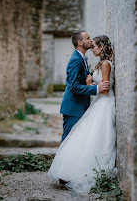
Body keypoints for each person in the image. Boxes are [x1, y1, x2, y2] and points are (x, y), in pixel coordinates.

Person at [48, 35, 116, 195]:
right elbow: (81, 86)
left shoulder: (105, 64)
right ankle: (67, 172)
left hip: (104, 103)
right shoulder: (84, 61)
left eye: (94, 46)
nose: (92, 48)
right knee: (77, 138)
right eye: (89, 42)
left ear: (101, 47)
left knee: (96, 137)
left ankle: (74, 173)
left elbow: (105, 88)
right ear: (80, 42)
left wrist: (94, 85)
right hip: (93, 104)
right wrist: (92, 84)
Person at [59, 30, 110, 143]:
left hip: (80, 107)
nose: (91, 40)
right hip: (73, 109)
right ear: (80, 42)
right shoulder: (76, 60)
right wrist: (97, 88)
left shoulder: (82, 58)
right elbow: (75, 87)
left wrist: (90, 82)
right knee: (68, 141)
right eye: (87, 38)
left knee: (76, 141)